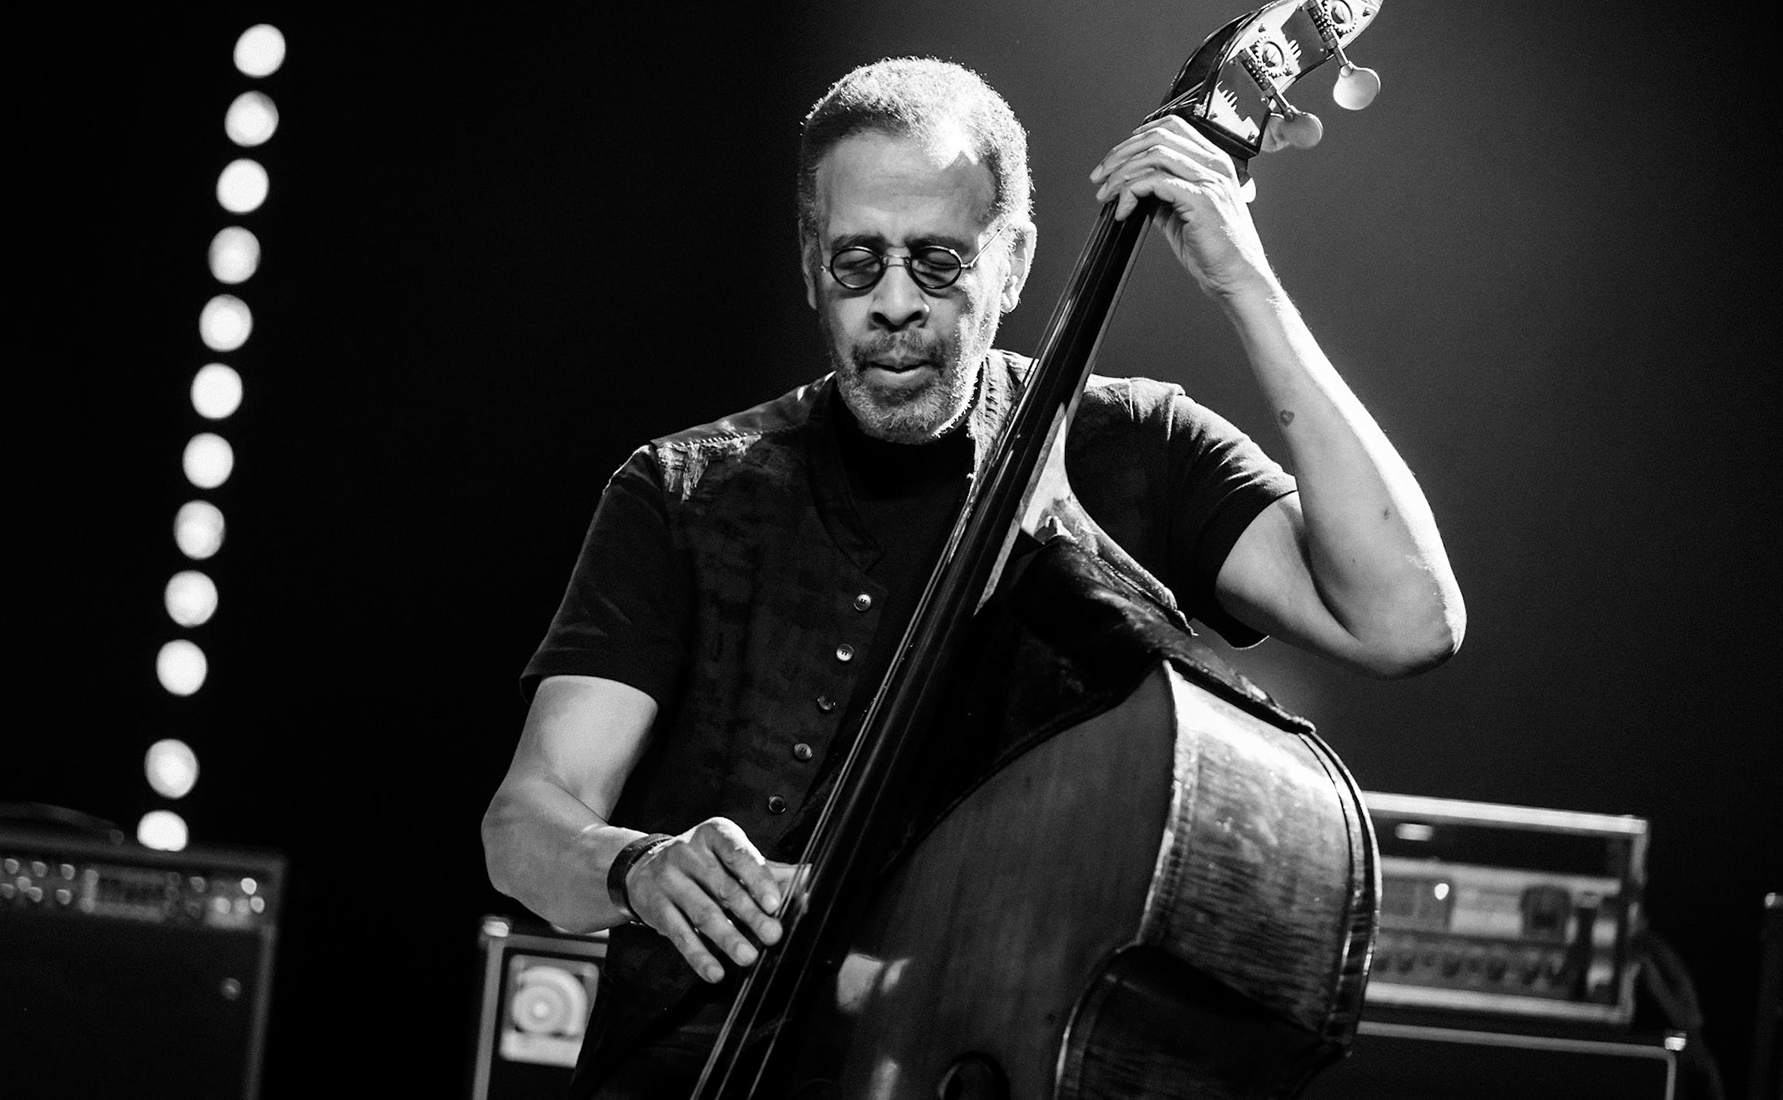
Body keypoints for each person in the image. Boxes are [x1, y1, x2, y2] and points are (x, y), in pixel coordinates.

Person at [481, 57, 1463, 1097]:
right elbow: (527, 820)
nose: (895, 302)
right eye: (857, 260)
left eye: (939, 260)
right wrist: (634, 865)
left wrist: (1243, 282)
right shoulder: (685, 491)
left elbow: (1404, 619)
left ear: (1015, 260)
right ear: (810, 264)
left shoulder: (1139, 446)